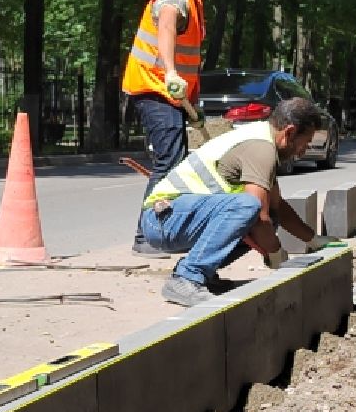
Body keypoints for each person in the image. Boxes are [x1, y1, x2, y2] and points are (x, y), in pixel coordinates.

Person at [139, 96, 333, 306]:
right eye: (305, 143)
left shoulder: (263, 140)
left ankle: (205, 275)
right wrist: (277, 254)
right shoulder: (261, 149)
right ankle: (187, 277)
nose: (303, 151)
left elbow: (277, 206)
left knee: (266, 215)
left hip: (177, 218)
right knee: (250, 207)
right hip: (162, 219)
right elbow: (259, 216)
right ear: (290, 132)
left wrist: (313, 239)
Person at [125, 0, 235, 257]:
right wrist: (171, 71)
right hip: (155, 87)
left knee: (176, 162)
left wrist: (194, 101)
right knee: (168, 161)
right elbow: (167, 26)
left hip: (171, 93)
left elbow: (190, 56)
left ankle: (166, 231)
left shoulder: (195, 1)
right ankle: (146, 236)